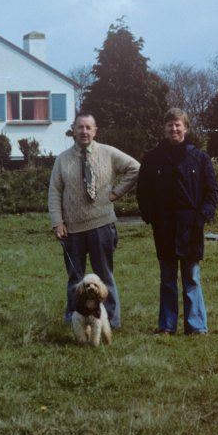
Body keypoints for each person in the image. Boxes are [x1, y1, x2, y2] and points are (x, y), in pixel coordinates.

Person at [48, 112, 140, 331]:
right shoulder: (62, 159)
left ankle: (111, 321)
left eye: (89, 127)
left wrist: (116, 193)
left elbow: (135, 168)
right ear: (73, 130)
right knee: (75, 278)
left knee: (105, 276)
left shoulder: (108, 152)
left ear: (95, 131)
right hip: (73, 229)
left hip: (102, 226)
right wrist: (57, 222)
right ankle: (74, 319)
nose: (84, 131)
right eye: (80, 127)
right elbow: (54, 191)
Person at [137, 108, 218, 336]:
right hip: (163, 227)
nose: (174, 129)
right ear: (164, 128)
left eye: (178, 125)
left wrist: (202, 217)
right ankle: (167, 325)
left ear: (186, 128)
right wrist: (150, 216)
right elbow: (143, 191)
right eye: (169, 125)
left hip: (190, 226)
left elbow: (212, 191)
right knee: (167, 278)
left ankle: (197, 326)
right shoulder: (152, 158)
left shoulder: (200, 158)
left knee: (192, 277)